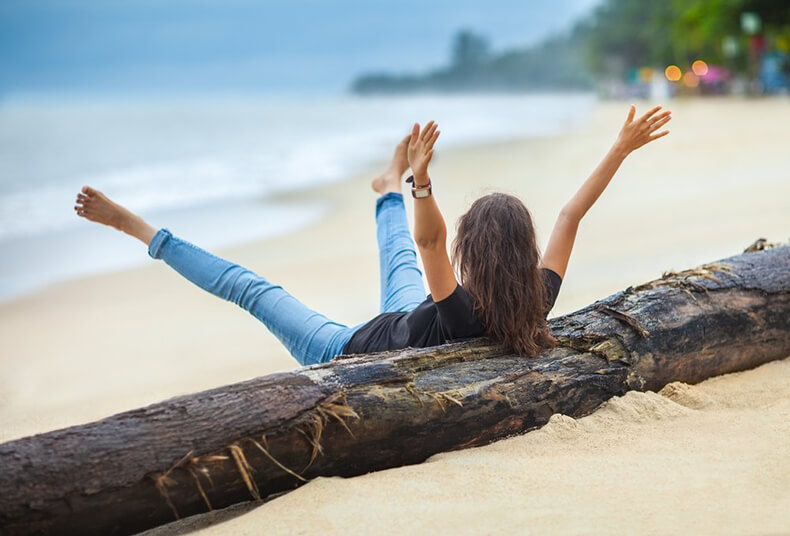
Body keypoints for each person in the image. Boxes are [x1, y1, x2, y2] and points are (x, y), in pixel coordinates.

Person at [74, 105, 671, 366]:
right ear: (521, 252)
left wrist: (425, 182)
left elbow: (432, 244)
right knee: (395, 255)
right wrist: (619, 148)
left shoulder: (460, 311)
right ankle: (386, 185)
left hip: (345, 350)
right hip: (410, 320)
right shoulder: (533, 299)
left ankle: (136, 228)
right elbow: (571, 216)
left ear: (476, 252)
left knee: (250, 288)